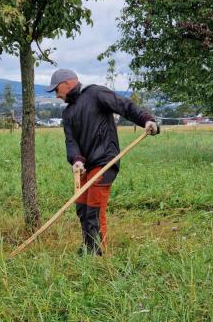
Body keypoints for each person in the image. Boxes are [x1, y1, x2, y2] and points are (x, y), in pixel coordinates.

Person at [47, 68, 159, 255]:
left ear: (67, 83)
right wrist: (76, 160)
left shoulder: (96, 93)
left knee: (94, 210)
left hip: (105, 160)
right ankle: (89, 247)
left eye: (57, 90)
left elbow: (124, 106)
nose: (57, 95)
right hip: (85, 167)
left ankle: (98, 255)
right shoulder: (68, 113)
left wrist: (146, 120)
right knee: (82, 208)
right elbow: (71, 141)